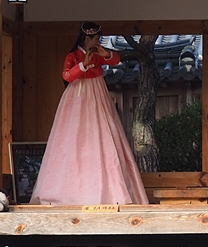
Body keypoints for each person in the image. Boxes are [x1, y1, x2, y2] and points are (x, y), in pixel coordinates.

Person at [30, 22, 148, 205]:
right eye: (96, 38)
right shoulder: (73, 55)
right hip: (77, 96)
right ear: (87, 38)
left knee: (103, 136)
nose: (98, 41)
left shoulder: (98, 53)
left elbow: (115, 60)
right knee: (72, 139)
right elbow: (67, 75)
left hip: (98, 94)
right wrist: (83, 65)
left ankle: (110, 191)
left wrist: (106, 54)